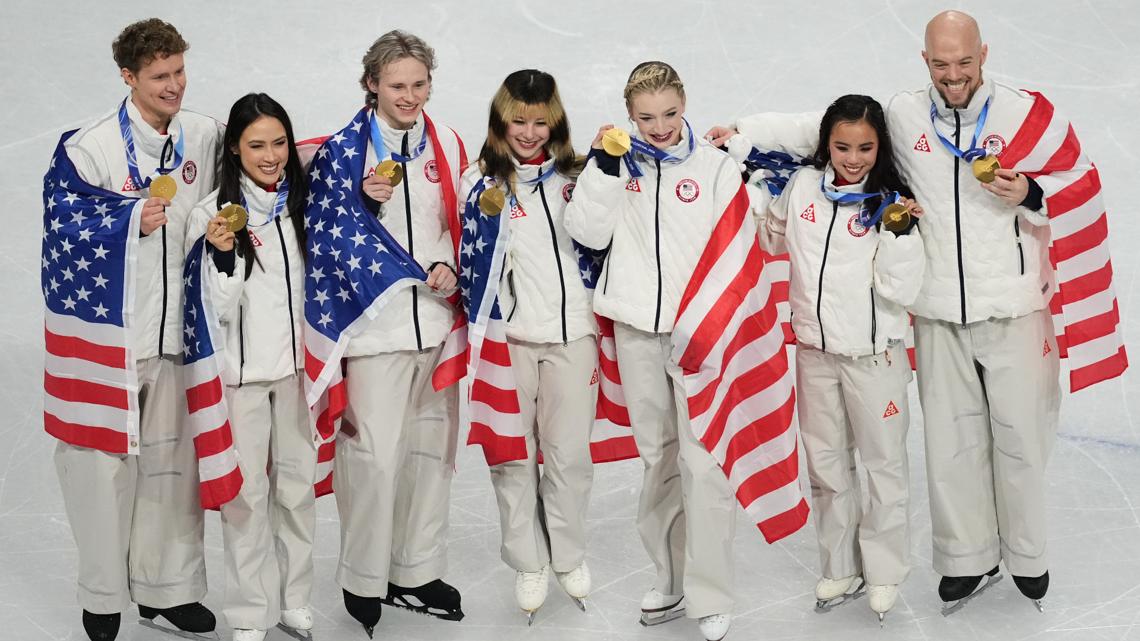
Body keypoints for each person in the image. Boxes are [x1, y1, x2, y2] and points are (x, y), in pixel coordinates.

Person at [708, 9, 1128, 613]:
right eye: (941, 64)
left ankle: (1027, 555)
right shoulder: (904, 116)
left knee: (1022, 438)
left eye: (964, 62)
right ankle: (967, 559)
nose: (953, 76)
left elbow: (1081, 178)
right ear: (924, 61)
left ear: (984, 53)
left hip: (1013, 306)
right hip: (936, 311)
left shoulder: (1025, 114)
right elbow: (819, 131)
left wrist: (1031, 192)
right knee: (951, 444)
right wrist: (744, 130)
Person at [50, 18, 223, 641]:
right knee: (100, 473)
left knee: (173, 469)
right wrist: (127, 223)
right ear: (128, 77)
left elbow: (262, 165)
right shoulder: (90, 147)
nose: (174, 85)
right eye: (159, 77)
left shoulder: (204, 134)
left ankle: (167, 592)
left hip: (179, 334)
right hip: (113, 343)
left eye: (179, 71)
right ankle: (101, 597)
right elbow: (62, 232)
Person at [564, 61, 742, 641]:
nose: (660, 127)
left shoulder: (716, 168)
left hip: (701, 334)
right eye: (646, 118)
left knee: (705, 463)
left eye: (669, 113)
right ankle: (671, 580)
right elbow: (587, 232)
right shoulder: (618, 164)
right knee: (660, 460)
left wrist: (706, 323)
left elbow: (732, 251)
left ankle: (710, 593)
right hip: (638, 330)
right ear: (629, 116)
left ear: (684, 104)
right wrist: (604, 167)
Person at [760, 94, 924, 623]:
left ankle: (884, 569)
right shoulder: (803, 186)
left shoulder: (892, 202)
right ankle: (840, 566)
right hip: (814, 353)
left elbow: (903, 289)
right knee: (827, 466)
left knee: (883, 468)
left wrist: (899, 231)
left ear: (880, 148)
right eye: (842, 147)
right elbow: (771, 238)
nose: (853, 159)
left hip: (873, 360)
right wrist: (747, 188)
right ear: (826, 144)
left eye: (865, 148)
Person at [331, 29, 466, 634]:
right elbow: (322, 235)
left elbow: (463, 226)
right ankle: (364, 576)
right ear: (372, 85)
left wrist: (452, 268)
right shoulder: (345, 152)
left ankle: (415, 570)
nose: (409, 96)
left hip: (435, 324)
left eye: (419, 84)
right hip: (374, 330)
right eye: (396, 86)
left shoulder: (449, 143)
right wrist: (358, 202)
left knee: (429, 455)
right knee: (373, 459)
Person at [458, 69, 597, 622]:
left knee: (569, 455)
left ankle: (567, 554)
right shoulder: (479, 183)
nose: (530, 133)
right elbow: (469, 259)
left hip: (574, 336)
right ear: (501, 121)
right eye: (519, 121)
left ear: (555, 122)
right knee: (512, 457)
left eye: (540, 122)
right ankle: (528, 560)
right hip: (510, 340)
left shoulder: (579, 176)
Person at [186, 93, 316, 641]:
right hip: (241, 380)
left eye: (279, 143)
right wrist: (222, 254)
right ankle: (247, 613)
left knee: (297, 492)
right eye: (257, 145)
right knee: (246, 499)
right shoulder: (211, 213)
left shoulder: (302, 204)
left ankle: (296, 600)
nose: (271, 156)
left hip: (298, 376)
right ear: (235, 149)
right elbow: (213, 308)